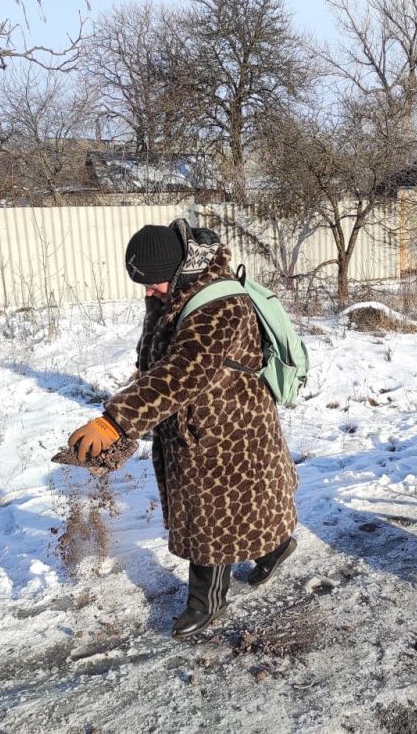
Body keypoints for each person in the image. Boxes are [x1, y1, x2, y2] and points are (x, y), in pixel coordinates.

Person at [67, 219, 299, 639]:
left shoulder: (219, 306)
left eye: (152, 283)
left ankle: (205, 601)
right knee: (249, 506)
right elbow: (155, 360)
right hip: (196, 421)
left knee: (209, 516)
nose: (147, 291)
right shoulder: (173, 291)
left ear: (176, 270)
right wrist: (133, 407)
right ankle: (278, 545)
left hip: (230, 429)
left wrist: (116, 419)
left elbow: (182, 373)